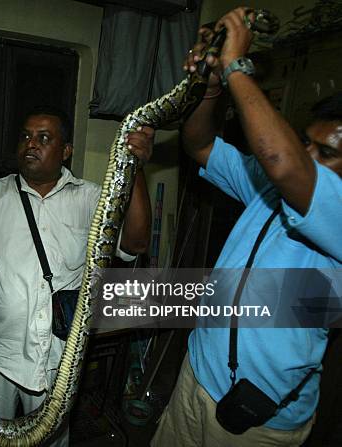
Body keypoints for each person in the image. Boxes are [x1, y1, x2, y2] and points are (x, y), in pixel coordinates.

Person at [0, 105, 154, 446]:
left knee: (52, 441)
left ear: (65, 151)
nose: (31, 144)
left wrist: (135, 169)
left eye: (44, 138)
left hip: (59, 358)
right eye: (25, 136)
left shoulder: (92, 198)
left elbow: (135, 243)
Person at [150, 7, 341, 447]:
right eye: (306, 144)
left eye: (327, 153)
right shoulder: (267, 187)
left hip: (258, 418)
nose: (310, 156)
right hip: (196, 377)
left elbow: (283, 162)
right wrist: (212, 86)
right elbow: (199, 144)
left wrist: (237, 66)